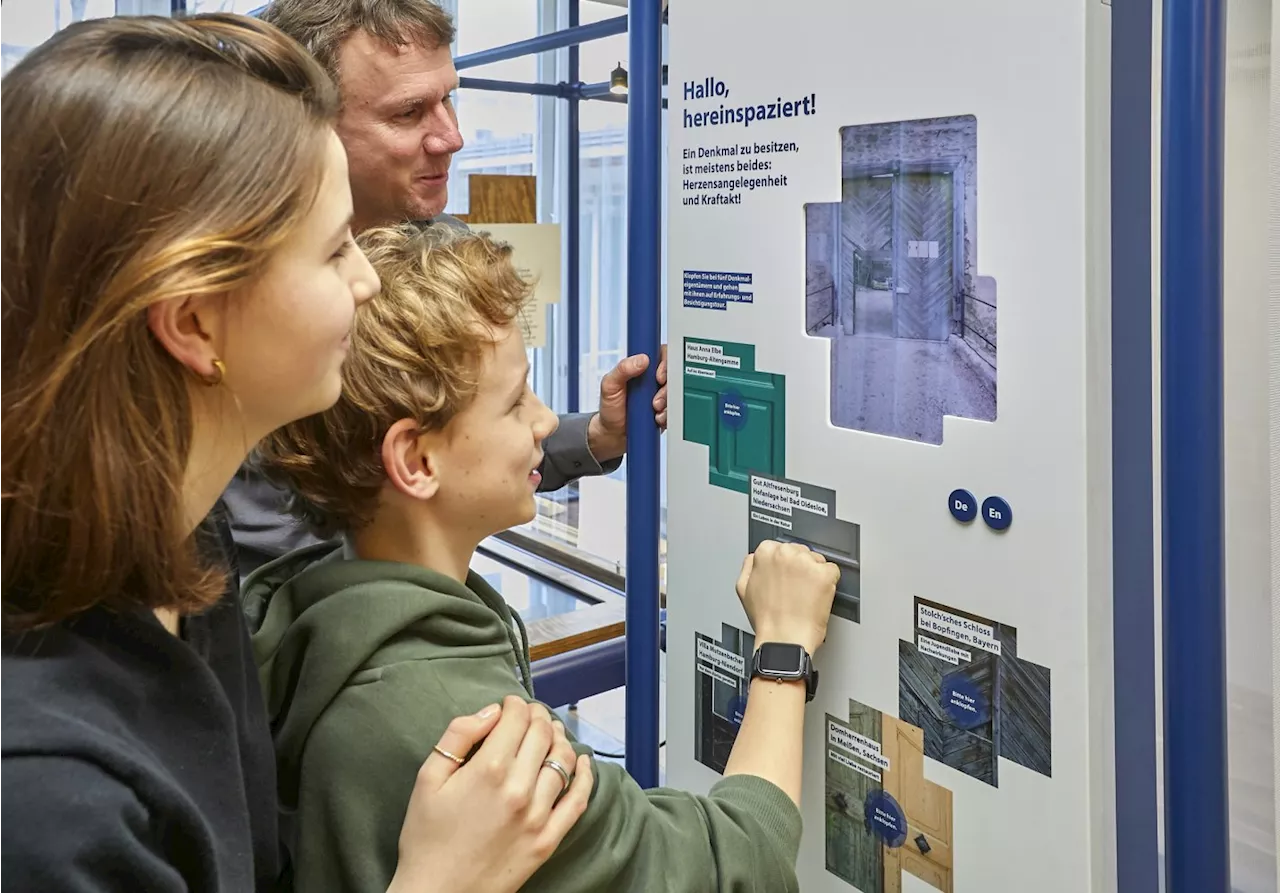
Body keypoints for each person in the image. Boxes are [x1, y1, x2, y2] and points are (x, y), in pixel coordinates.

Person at [0, 15, 592, 893]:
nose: (364, 280)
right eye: (334, 248)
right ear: (196, 321)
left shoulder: (186, 557)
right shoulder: (51, 798)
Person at [248, 223, 841, 892]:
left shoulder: (307, 622)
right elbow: (741, 864)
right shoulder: (471, 733)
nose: (540, 420)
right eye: (514, 401)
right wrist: (784, 646)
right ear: (416, 459)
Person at [224, 0, 669, 579]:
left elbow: (460, 443)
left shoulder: (445, 252)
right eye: (409, 113)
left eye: (448, 97)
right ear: (305, 127)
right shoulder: (227, 294)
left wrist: (598, 436)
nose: (453, 137)